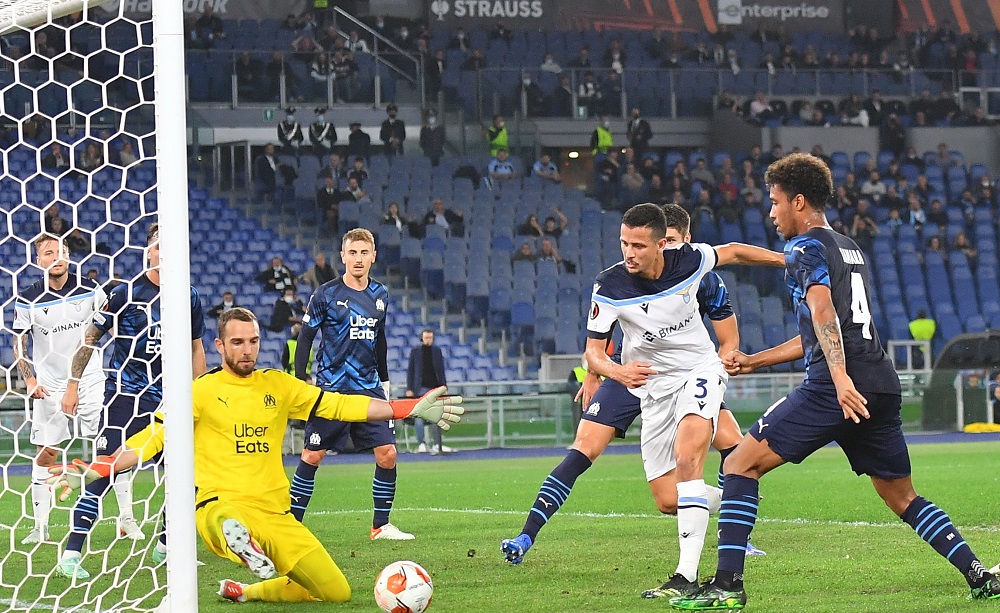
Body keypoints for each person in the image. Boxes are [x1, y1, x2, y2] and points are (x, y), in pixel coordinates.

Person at [670, 153, 1000, 610]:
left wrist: (841, 380)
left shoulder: (805, 248)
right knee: (902, 496)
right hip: (879, 382)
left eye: (775, 201)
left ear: (798, 201)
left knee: (738, 465)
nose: (770, 212)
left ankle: (727, 586)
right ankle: (978, 575)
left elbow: (825, 315)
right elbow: (823, 328)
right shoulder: (847, 245)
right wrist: (758, 360)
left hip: (836, 387)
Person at [48, 308, 464, 604]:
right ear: (219, 345)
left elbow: (341, 405)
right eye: (237, 342)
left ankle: (244, 590)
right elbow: (150, 439)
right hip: (219, 505)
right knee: (223, 519)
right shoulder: (199, 391)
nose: (247, 350)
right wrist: (96, 467)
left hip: (275, 514)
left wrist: (405, 408)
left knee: (334, 592)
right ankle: (237, 539)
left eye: (253, 341)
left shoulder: (278, 385)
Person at [500, 204, 777, 584]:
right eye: (623, 244)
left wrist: (785, 260)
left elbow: (735, 252)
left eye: (638, 246)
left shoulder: (693, 263)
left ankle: (689, 574)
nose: (629, 253)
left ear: (664, 244)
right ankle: (733, 503)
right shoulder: (609, 285)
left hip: (697, 371)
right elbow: (594, 352)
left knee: (693, 456)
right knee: (666, 498)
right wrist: (613, 371)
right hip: (643, 381)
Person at [55, 223, 208, 579]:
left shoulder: (189, 296)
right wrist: (73, 385)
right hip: (126, 396)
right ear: (149, 253)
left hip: (171, 401)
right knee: (104, 470)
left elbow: (195, 346)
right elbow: (90, 337)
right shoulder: (125, 293)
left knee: (190, 475)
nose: (165, 253)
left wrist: (199, 396)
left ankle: (167, 547)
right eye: (158, 247)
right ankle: (71, 554)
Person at [292, 228, 413, 540]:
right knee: (312, 455)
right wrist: (300, 380)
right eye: (352, 253)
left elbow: (380, 340)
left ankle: (380, 526)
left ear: (373, 256)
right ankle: (290, 526)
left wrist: (384, 382)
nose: (358, 259)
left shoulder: (381, 295)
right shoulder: (325, 295)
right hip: (331, 389)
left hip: (368, 387)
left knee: (387, 453)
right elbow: (306, 337)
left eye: (364, 253)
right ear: (343, 256)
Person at [13, 235, 132, 545]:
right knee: (47, 453)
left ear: (68, 256)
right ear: (38, 260)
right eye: (48, 253)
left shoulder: (89, 290)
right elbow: (19, 342)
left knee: (112, 448)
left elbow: (110, 325)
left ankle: (127, 519)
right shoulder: (27, 299)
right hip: (50, 386)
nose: (56, 257)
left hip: (90, 381)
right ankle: (40, 527)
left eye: (61, 251)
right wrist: (30, 380)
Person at [405, 328, 453, 454]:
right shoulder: (415, 351)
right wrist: (409, 388)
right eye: (426, 338)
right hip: (420, 388)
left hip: (435, 388)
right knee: (420, 417)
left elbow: (441, 370)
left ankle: (438, 444)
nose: (428, 340)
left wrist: (444, 386)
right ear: (422, 338)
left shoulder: (437, 351)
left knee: (437, 417)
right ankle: (421, 443)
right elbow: (411, 371)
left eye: (430, 338)